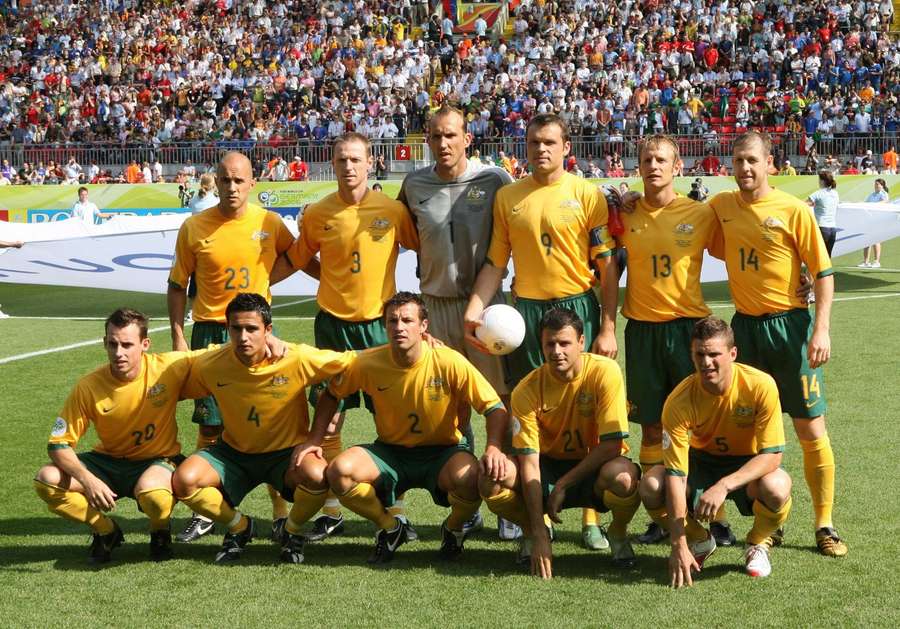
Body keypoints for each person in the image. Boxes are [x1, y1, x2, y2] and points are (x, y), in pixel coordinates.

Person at [464, 113, 620, 551]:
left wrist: (607, 326)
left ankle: (591, 518)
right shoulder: (509, 197)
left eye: (550, 142)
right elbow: (496, 262)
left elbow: (607, 267)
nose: (541, 150)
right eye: (533, 142)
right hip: (526, 315)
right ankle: (535, 513)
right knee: (526, 407)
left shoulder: (587, 195)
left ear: (567, 147)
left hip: (577, 305)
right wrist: (475, 311)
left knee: (588, 406)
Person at [270, 133, 418, 542]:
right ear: (332, 165)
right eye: (341, 160)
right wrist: (258, 284)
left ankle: (396, 506)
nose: (348, 167)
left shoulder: (391, 210)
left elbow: (424, 247)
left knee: (392, 421)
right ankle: (332, 507)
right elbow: (298, 259)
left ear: (370, 164)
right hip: (333, 326)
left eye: (355, 159)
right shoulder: (318, 213)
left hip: (379, 326)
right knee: (330, 417)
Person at [709, 131, 845, 557]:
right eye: (738, 161)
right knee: (748, 431)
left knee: (809, 429)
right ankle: (769, 518)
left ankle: (824, 524)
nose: (745, 169)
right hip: (744, 331)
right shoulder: (722, 207)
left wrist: (820, 329)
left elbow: (822, 274)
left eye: (753, 160)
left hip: (790, 328)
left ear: (770, 163)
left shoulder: (791, 209)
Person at [299, 292, 510, 564]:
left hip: (443, 452)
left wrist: (493, 447)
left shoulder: (448, 360)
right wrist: (314, 440)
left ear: (423, 327)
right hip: (391, 453)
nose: (399, 327)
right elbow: (330, 394)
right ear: (385, 326)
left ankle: (453, 529)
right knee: (340, 472)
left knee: (472, 479)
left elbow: (494, 407)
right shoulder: (369, 362)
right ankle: (390, 527)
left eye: (407, 320)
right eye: (392, 321)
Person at [398, 105, 520, 541]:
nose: (444, 143)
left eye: (451, 135)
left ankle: (505, 493)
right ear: (427, 141)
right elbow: (399, 235)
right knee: (452, 407)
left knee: (497, 400)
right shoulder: (413, 185)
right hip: (435, 307)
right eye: (435, 137)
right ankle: (466, 498)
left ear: (468, 137)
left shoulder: (494, 181)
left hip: (486, 312)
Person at [612, 135, 740, 547]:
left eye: (662, 159)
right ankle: (660, 516)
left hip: (688, 330)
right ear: (639, 165)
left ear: (677, 167)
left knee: (698, 428)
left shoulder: (699, 214)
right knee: (652, 427)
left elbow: (741, 248)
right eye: (647, 159)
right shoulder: (626, 214)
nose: (654, 166)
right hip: (644, 331)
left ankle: (714, 517)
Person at [167, 151, 295, 543]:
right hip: (210, 332)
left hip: (258, 333)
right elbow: (177, 284)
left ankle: (279, 509)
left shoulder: (269, 222)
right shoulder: (194, 226)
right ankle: (211, 511)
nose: (233, 187)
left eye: (240, 180)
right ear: (216, 183)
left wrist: (264, 284)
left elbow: (296, 257)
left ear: (253, 183)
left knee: (269, 423)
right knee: (211, 423)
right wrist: (177, 334)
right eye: (225, 180)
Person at [172, 294, 356, 564]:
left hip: (286, 454)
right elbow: (161, 370)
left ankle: (291, 531)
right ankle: (240, 527)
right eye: (236, 329)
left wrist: (315, 438)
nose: (243, 337)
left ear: (268, 330)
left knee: (318, 475)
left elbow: (351, 362)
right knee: (184, 480)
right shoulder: (210, 362)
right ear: (227, 329)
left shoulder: (296, 358)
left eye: (252, 329)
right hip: (234, 454)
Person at [479, 308, 641, 578]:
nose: (557, 351)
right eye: (549, 344)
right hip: (547, 467)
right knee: (491, 478)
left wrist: (565, 483)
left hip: (595, 465)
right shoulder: (527, 390)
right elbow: (529, 464)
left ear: (581, 342)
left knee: (624, 477)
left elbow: (611, 446)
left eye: (564, 343)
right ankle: (530, 533)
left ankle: (618, 532)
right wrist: (539, 532)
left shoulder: (605, 372)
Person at [639, 317, 792, 585]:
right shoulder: (678, 401)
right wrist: (679, 543)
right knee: (651, 485)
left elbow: (772, 455)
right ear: (691, 354)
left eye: (714, 354)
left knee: (778, 486)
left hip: (748, 464)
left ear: (732, 354)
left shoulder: (760, 385)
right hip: (702, 463)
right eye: (700, 354)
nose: (706, 362)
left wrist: (723, 485)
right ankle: (699, 541)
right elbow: (676, 475)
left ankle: (757, 543)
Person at [33, 308, 193, 564]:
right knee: (47, 480)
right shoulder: (88, 385)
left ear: (145, 344)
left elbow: (217, 357)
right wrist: (88, 481)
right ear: (104, 343)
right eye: (113, 344)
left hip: (156, 460)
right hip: (108, 462)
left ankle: (160, 531)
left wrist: (274, 344)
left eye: (127, 345)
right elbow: (58, 445)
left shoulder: (168, 367)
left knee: (155, 496)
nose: (119, 353)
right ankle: (106, 531)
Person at [806, 171, 839, 256]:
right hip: (832, 229)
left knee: (818, 256)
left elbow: (803, 205)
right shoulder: (835, 193)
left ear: (822, 181)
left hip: (821, 228)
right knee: (827, 257)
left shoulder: (818, 193)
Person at [859, 178, 889, 268]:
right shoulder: (872, 194)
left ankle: (876, 261)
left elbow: (885, 201)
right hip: (870, 219)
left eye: (877, 184)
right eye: (875, 184)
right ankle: (866, 262)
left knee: (876, 240)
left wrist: (873, 205)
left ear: (882, 185)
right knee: (867, 240)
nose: (875, 186)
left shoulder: (884, 194)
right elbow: (866, 203)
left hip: (878, 219)